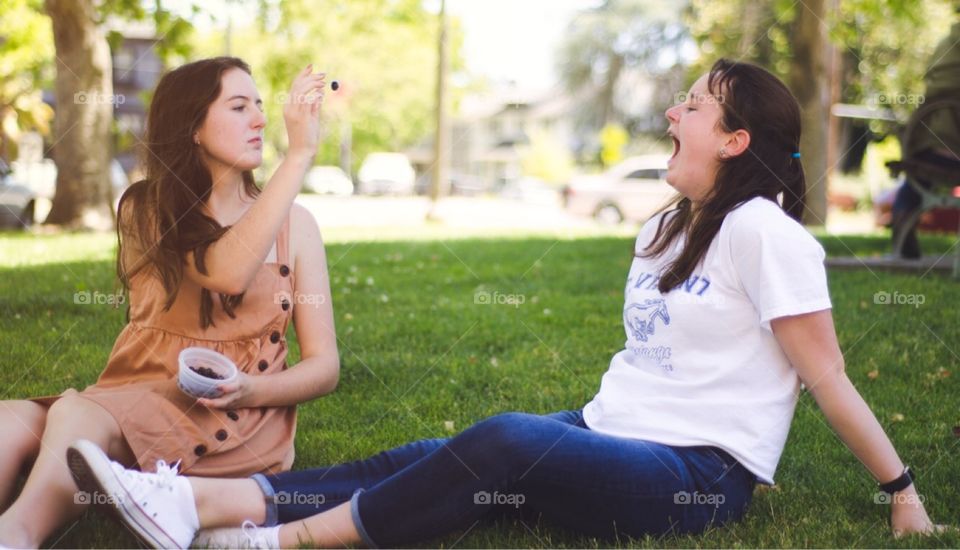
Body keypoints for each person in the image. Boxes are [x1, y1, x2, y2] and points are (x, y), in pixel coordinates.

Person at [68, 59, 945, 549]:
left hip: (698, 475)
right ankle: (201, 504)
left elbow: (825, 377)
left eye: (695, 105)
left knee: (503, 443)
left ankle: (284, 542)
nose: (674, 111)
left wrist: (900, 493)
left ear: (736, 140)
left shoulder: (767, 234)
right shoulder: (666, 228)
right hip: (609, 432)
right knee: (442, 450)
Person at [0, 57, 340, 548]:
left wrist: (250, 391)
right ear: (193, 128)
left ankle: (17, 534)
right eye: (240, 106)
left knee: (77, 417)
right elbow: (225, 268)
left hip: (234, 420)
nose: (262, 121)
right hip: (135, 393)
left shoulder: (297, 224)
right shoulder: (148, 207)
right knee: (12, 417)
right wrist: (296, 160)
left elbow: (325, 365)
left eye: (261, 106)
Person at [890, 9, 960, 258]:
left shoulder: (946, 42)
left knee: (915, 182)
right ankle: (903, 219)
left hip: (924, 141)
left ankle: (903, 216)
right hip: (949, 147)